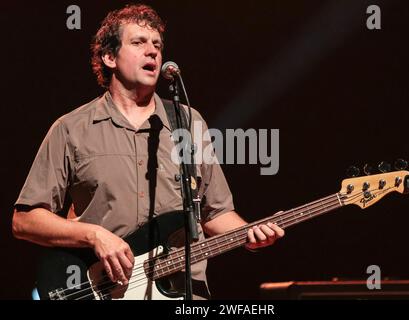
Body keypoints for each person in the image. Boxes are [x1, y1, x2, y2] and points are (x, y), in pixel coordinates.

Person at [12, 4, 284, 300]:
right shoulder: (71, 128)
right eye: (138, 43)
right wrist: (95, 235)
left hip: (183, 294)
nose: (152, 51)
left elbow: (215, 212)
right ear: (109, 57)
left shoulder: (189, 123)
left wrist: (249, 234)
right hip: (108, 290)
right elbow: (25, 220)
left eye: (157, 45)